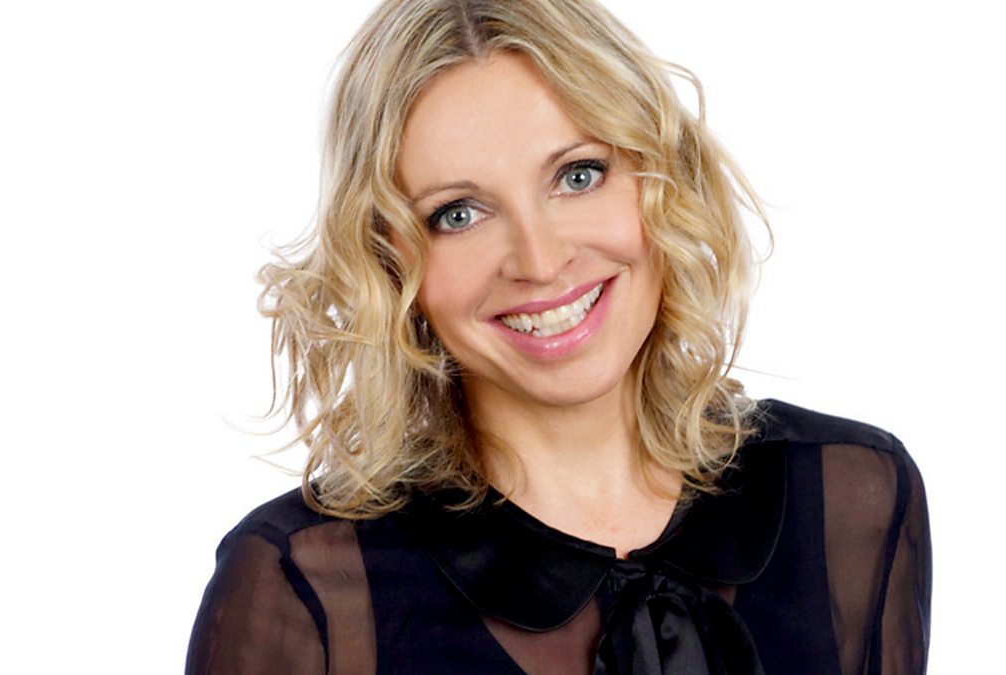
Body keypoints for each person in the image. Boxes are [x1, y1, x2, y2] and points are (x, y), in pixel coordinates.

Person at [186, 0, 931, 673]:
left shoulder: (850, 496)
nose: (541, 261)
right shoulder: (303, 587)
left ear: (658, 178)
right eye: (458, 214)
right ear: (387, 264)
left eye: (577, 176)